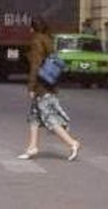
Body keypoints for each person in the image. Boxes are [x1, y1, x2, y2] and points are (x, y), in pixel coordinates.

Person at [18, 17, 81, 162]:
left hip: (41, 86)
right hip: (49, 82)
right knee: (34, 117)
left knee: (49, 118)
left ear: (33, 28)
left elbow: (36, 65)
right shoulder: (48, 39)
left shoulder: (36, 41)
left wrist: (31, 86)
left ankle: (72, 143)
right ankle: (32, 147)